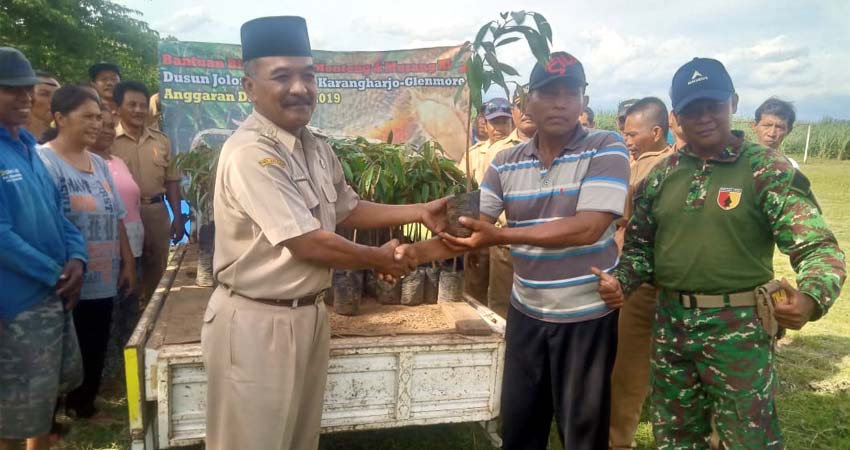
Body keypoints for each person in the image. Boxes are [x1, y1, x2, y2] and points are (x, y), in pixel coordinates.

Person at [202, 16, 447, 450]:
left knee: (298, 439)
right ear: (249, 87)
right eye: (282, 76)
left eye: (308, 74)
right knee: (251, 442)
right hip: (257, 321)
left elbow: (348, 209)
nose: (300, 87)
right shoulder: (251, 154)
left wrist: (420, 211)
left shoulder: (314, 146)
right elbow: (307, 241)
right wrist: (380, 259)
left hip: (310, 315)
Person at [598, 57, 846, 449]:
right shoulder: (661, 176)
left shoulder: (766, 169)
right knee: (676, 438)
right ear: (677, 117)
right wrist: (623, 281)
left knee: (749, 439)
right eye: (693, 109)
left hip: (739, 331)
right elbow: (642, 248)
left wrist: (813, 296)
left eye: (713, 105)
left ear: (732, 102)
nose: (705, 117)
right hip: (672, 329)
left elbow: (817, 246)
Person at [398, 51, 630, 450]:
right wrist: (408, 256)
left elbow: (589, 228)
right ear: (526, 103)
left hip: (585, 315)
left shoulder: (606, 147)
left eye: (570, 93)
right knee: (520, 425)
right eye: (548, 93)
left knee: (583, 431)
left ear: (583, 102)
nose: (559, 102)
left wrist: (501, 236)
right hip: (526, 312)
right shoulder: (505, 162)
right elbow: (469, 227)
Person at [0, 47, 86, 450]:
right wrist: (55, 272)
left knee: (43, 401)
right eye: (9, 89)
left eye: (26, 89)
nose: (24, 98)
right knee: (11, 418)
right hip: (15, 306)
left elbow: (60, 215)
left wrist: (78, 259)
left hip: (52, 297)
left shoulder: (29, 151)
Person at [37, 85, 135, 419]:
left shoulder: (98, 162)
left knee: (94, 341)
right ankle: (48, 419)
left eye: (99, 117)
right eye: (87, 117)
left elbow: (116, 215)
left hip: (103, 273)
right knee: (58, 348)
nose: (96, 124)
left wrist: (126, 262)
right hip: (64, 277)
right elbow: (44, 222)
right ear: (61, 118)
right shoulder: (43, 161)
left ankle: (84, 405)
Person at [609, 96, 673, 450]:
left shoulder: (670, 167)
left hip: (663, 283)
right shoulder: (633, 163)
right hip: (636, 280)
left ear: (657, 131)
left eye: (633, 134)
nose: (627, 140)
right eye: (624, 134)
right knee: (627, 373)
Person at [111, 80, 184, 301]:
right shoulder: (108, 140)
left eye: (143, 105)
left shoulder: (161, 141)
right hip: (122, 219)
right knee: (125, 274)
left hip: (155, 212)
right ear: (118, 108)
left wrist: (178, 218)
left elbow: (172, 181)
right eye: (131, 105)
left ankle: (152, 328)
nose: (138, 110)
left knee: (157, 276)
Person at [89, 106, 144, 377]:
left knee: (128, 305)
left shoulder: (116, 161)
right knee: (106, 313)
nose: (107, 130)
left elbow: (125, 208)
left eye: (111, 125)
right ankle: (105, 374)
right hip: (102, 248)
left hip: (130, 243)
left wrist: (130, 259)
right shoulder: (83, 162)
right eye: (101, 123)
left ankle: (126, 369)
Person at [485, 89, 538, 318]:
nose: (526, 111)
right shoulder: (497, 152)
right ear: (514, 112)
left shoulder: (561, 148)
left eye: (531, 104)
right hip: (504, 245)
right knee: (501, 311)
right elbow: (484, 200)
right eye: (520, 106)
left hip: (546, 247)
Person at [458, 97, 515, 304]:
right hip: (478, 232)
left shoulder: (517, 149)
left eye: (503, 121)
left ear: (511, 121)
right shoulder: (474, 153)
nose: (499, 127)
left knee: (502, 299)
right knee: (473, 293)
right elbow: (461, 187)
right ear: (486, 123)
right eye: (494, 122)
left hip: (504, 237)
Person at [753, 97, 799, 168]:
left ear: (788, 131)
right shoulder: (738, 162)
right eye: (767, 125)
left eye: (779, 127)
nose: (771, 134)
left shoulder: (791, 167)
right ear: (754, 126)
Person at [24, 71, 60, 143]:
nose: (52, 100)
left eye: (57, 95)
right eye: (44, 94)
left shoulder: (64, 141)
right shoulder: (10, 139)